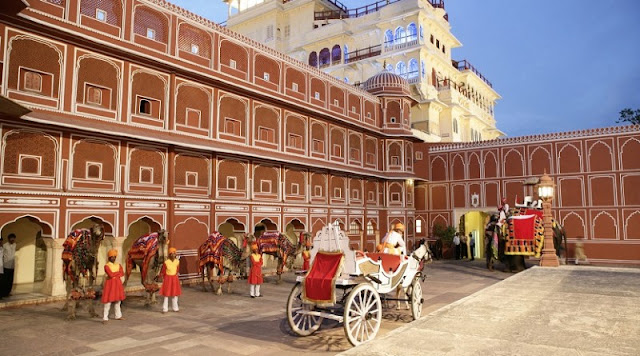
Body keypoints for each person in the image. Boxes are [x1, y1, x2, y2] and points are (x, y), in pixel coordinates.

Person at [102, 249, 126, 324]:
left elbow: (122, 273)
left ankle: (118, 315)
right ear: (109, 257)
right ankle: (105, 317)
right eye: (112, 257)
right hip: (110, 284)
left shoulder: (118, 265)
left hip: (117, 283)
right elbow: (111, 275)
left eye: (114, 257)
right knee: (108, 301)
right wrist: (117, 273)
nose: (113, 258)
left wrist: (114, 274)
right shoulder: (106, 266)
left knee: (118, 301)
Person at [158, 247, 181, 313]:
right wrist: (162, 278)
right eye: (172, 253)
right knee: (166, 295)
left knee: (175, 294)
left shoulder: (177, 261)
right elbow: (163, 271)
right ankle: (165, 309)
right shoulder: (166, 262)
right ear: (169, 254)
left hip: (174, 279)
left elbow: (177, 270)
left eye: (174, 253)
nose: (173, 255)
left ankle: (175, 308)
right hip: (167, 279)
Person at [2, 234, 16, 298]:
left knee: (10, 280)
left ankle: (8, 292)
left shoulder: (15, 245)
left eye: (13, 239)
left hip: (12, 265)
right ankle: (4, 293)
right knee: (5, 280)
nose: (12, 240)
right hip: (6, 265)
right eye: (11, 239)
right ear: (8, 239)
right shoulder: (5, 245)